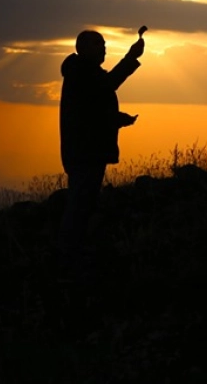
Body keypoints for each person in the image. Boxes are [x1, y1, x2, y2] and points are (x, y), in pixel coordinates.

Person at [57, 29, 144, 274]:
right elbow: (106, 87)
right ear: (82, 48)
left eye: (104, 44)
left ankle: (74, 254)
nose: (103, 48)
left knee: (84, 202)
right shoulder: (82, 73)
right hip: (85, 153)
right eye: (98, 44)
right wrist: (130, 57)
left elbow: (92, 111)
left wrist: (118, 119)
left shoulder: (83, 73)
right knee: (80, 204)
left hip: (86, 151)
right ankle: (68, 258)